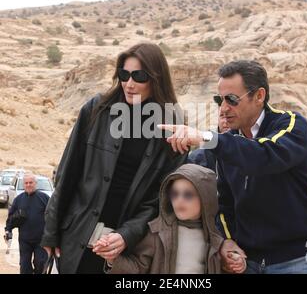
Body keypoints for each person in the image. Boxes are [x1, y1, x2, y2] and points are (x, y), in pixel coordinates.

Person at [159, 60, 307, 274]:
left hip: (297, 259)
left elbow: (263, 155)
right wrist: (226, 241)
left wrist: (206, 137)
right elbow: (225, 201)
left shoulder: (292, 125)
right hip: (247, 261)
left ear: (259, 96)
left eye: (232, 99)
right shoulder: (229, 143)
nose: (224, 107)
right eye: (220, 99)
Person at [41, 43, 187, 274]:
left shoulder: (173, 126)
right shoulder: (96, 109)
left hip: (128, 250)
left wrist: (126, 235)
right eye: (124, 74)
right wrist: (50, 232)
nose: (129, 84)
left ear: (156, 78)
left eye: (139, 76)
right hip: (77, 237)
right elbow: (67, 173)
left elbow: (160, 199)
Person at [95, 164, 225, 274]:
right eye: (174, 194)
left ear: (206, 198)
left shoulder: (215, 237)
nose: (179, 200)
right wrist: (114, 260)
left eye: (188, 195)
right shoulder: (158, 232)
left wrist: (234, 261)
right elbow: (138, 267)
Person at [4, 173, 49, 274]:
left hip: (41, 240)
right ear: (23, 185)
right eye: (26, 183)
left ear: (35, 184)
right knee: (24, 267)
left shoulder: (44, 198)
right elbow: (10, 217)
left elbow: (53, 217)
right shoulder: (18, 200)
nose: (28, 185)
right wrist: (8, 230)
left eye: (31, 182)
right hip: (25, 240)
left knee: (40, 264)